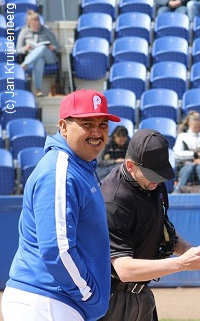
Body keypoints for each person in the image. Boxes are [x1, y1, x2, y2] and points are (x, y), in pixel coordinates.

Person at [1, 89, 121, 321]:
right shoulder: (60, 172)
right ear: (63, 127)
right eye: (87, 123)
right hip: (47, 301)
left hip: (55, 300)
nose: (97, 132)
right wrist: (90, 295)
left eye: (103, 123)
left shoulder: (80, 167)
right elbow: (57, 249)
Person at [99, 128, 200, 321]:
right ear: (130, 165)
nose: (157, 180)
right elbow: (124, 269)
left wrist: (197, 253)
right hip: (113, 299)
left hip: (142, 294)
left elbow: (163, 230)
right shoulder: (113, 200)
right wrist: (182, 264)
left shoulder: (152, 183)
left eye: (161, 174)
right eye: (152, 174)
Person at [16, 10, 60, 97]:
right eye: (33, 25)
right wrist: (25, 48)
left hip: (49, 57)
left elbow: (57, 46)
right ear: (29, 24)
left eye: (37, 24)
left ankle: (24, 65)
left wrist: (52, 47)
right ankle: (38, 89)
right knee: (39, 60)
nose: (36, 27)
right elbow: (18, 49)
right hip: (33, 58)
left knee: (42, 48)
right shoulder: (24, 32)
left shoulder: (47, 30)